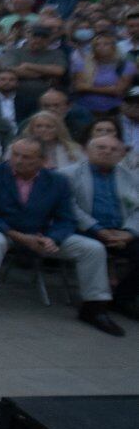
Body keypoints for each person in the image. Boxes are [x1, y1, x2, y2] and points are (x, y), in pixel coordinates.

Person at [0, 136, 118, 333]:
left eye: (27, 157)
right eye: (16, 155)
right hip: (2, 230)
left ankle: (94, 307)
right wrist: (17, 235)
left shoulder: (57, 181)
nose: (19, 161)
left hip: (40, 234)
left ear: (41, 160)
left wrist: (53, 238)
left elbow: (67, 218)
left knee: (92, 248)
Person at [63, 132, 139, 322]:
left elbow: (137, 209)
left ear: (122, 155)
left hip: (121, 232)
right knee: (93, 249)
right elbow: (70, 207)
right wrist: (98, 229)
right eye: (101, 148)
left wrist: (128, 233)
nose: (107, 152)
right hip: (83, 230)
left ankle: (122, 298)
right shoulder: (68, 174)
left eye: (114, 149)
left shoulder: (130, 177)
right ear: (87, 151)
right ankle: (94, 305)